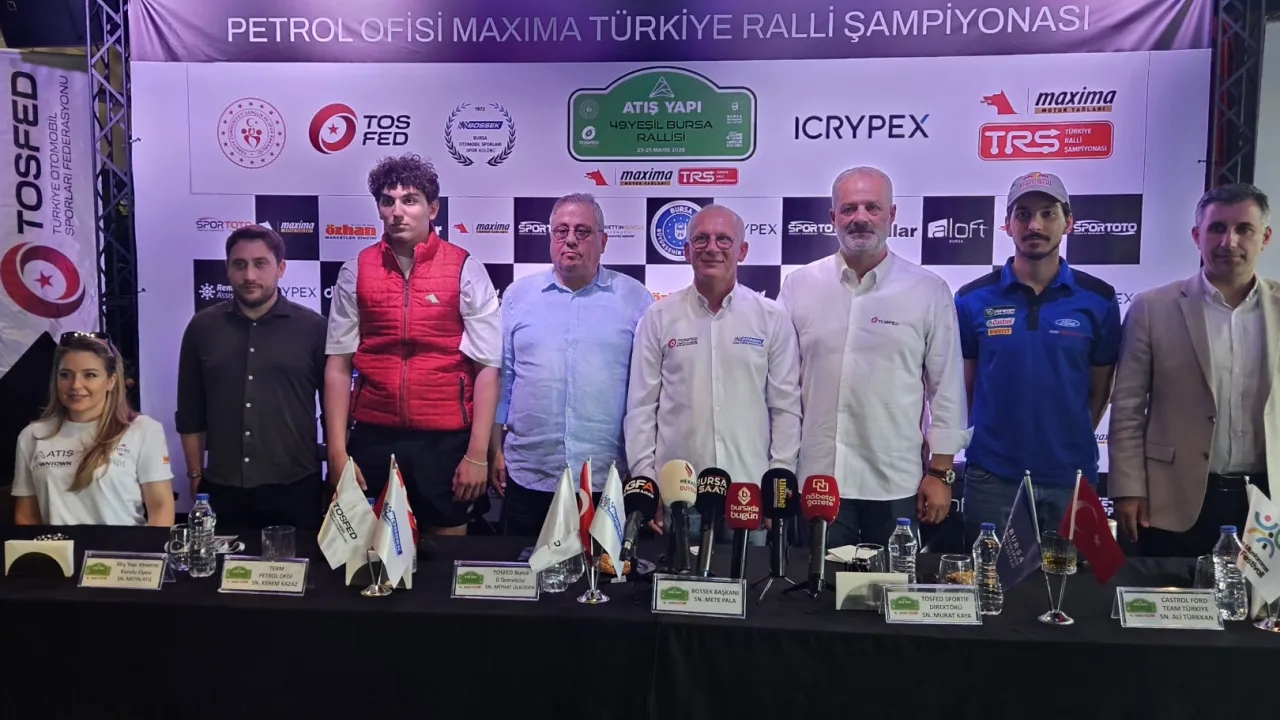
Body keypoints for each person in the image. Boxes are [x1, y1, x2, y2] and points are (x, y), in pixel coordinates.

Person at [778, 166, 968, 548]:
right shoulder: (799, 286)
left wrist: (941, 473)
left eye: (872, 207)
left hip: (895, 482)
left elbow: (947, 388)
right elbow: (781, 386)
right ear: (832, 217)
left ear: (892, 215)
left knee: (892, 584)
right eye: (849, 209)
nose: (860, 218)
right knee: (816, 585)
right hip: (818, 480)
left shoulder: (928, 290)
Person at [324, 153, 501, 536]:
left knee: (447, 558)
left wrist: (477, 454)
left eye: (410, 200)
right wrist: (336, 451)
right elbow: (338, 366)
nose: (397, 212)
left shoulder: (464, 268)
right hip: (373, 437)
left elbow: (487, 368)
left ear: (432, 208)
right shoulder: (356, 270)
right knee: (364, 556)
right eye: (387, 201)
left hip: (445, 443)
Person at [1110, 183, 1277, 557]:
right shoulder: (1152, 307)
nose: (1229, 241)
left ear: (1265, 237)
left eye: (1244, 229)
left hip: (1267, 503)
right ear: (1196, 235)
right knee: (1168, 595)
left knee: (1259, 599)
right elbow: (1127, 408)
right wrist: (1128, 488)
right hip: (1170, 499)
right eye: (1217, 228)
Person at [954, 172, 1120, 543]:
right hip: (992, 477)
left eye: (1048, 213)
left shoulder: (1099, 298)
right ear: (1007, 224)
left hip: (1072, 477)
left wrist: (1063, 440)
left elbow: (1100, 391)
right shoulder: (970, 299)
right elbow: (966, 388)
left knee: (1072, 580)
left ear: (1068, 222)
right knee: (990, 578)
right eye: (1023, 214)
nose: (1035, 225)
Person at [625, 204, 801, 538]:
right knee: (676, 575)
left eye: (723, 239)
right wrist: (646, 479)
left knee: (749, 574)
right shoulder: (658, 317)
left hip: (750, 492)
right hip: (678, 494)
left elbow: (786, 408)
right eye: (701, 239)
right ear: (686, 250)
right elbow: (641, 408)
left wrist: (777, 483)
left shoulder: (772, 318)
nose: (711, 247)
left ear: (742, 250)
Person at [491, 193, 654, 536]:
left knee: (604, 571)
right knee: (523, 569)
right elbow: (503, 382)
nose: (570, 240)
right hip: (529, 473)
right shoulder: (518, 296)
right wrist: (494, 449)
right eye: (561, 231)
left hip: (606, 478)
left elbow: (648, 392)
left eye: (582, 231)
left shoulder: (636, 298)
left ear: (603, 241)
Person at [175, 225, 328, 531]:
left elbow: (334, 412)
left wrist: (337, 469)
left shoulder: (314, 329)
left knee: (299, 563)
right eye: (239, 264)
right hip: (222, 487)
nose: (249, 275)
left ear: (280, 268)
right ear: (227, 269)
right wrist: (195, 474)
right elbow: (190, 411)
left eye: (260, 264)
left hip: (296, 487)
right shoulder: (202, 328)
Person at [13, 333, 174, 526]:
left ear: (111, 381)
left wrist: (149, 546)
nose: (75, 385)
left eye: (89, 375)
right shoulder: (32, 435)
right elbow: (26, 516)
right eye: (65, 375)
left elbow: (161, 508)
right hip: (56, 545)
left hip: (121, 545)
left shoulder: (143, 430)